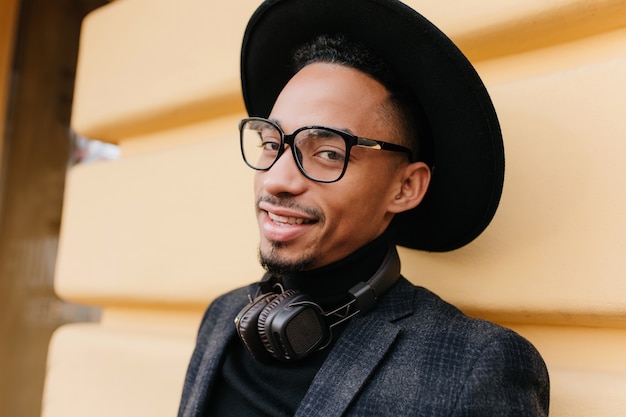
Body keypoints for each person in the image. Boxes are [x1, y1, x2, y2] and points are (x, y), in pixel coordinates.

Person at [178, 0, 550, 416]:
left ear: (405, 187)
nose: (277, 179)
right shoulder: (222, 318)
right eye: (271, 143)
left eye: (328, 153)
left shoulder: (474, 366)